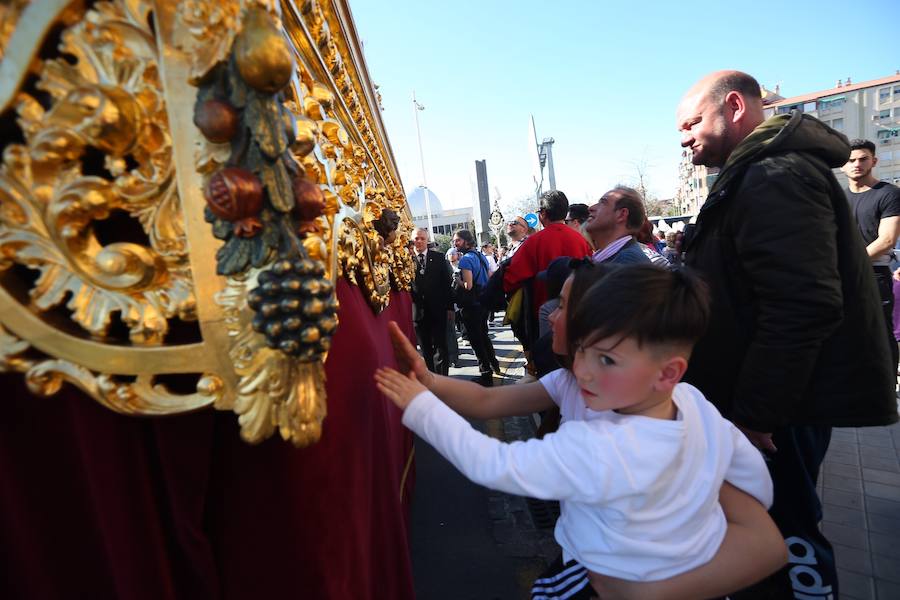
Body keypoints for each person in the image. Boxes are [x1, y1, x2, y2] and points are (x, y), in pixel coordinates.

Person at [375, 264, 786, 599]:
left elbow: (492, 462)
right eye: (584, 350)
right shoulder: (684, 400)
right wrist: (428, 380)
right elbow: (751, 473)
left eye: (566, 305)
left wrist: (419, 405)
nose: (552, 314)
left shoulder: (602, 443)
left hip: (601, 576)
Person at [676, 70, 898, 598]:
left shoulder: (774, 175)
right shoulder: (757, 174)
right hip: (767, 405)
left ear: (733, 107)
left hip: (776, 413)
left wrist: (756, 414)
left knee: (784, 535)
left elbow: (802, 305)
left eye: (691, 123)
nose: (684, 137)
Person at [842, 138, 900, 372]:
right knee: (845, 335)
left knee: (881, 335)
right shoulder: (838, 197)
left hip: (874, 275)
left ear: (874, 161)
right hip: (841, 276)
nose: (857, 164)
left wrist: (848, 262)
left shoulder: (888, 194)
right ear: (843, 165)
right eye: (851, 160)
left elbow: (886, 240)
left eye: (863, 159)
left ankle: (887, 393)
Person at [504, 190, 592, 327]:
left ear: (543, 213)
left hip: (544, 314)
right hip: (579, 310)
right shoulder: (581, 240)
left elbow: (512, 277)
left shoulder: (533, 241)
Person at [453, 229, 499, 385]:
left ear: (466, 241)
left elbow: (468, 285)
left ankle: (486, 373)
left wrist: (456, 279)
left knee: (475, 340)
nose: (455, 243)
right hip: (483, 302)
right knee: (483, 334)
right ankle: (494, 363)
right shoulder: (480, 256)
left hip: (471, 305)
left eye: (457, 240)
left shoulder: (465, 260)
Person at [410, 228, 453, 375]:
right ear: (412, 240)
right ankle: (432, 379)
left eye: (422, 238)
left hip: (438, 310)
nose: (419, 241)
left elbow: (447, 285)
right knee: (426, 349)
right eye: (416, 238)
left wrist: (450, 308)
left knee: (441, 347)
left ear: (427, 240)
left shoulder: (439, 258)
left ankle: (443, 379)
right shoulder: (406, 260)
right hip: (418, 313)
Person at [584, 187, 651, 265]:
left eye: (603, 202)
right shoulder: (614, 260)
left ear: (622, 214)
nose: (590, 208)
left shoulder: (628, 264)